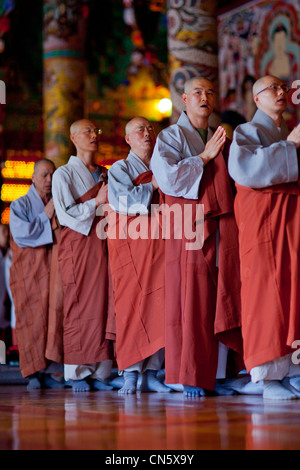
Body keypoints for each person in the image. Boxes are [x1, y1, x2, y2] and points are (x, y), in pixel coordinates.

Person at [151, 76, 243, 397]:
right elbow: (168, 180)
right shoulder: (171, 136)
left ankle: (216, 374)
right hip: (188, 227)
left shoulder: (219, 136)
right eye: (197, 92)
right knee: (192, 298)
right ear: (184, 99)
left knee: (220, 295)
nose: (205, 97)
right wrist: (205, 156)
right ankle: (188, 373)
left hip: (221, 226)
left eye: (210, 92)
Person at [228, 75, 300, 400]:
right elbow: (245, 170)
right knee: (265, 294)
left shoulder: (287, 130)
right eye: (273, 88)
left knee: (293, 290)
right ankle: (267, 375)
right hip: (263, 226)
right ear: (257, 99)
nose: (281, 92)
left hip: (290, 222)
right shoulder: (246, 132)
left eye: (283, 87)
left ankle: (294, 369)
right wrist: (291, 147)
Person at [107, 116, 171, 394]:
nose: (147, 133)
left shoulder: (161, 163)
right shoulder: (120, 168)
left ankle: (153, 372)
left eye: (150, 129)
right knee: (131, 304)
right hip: (131, 244)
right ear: (128, 139)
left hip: (160, 241)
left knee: (161, 301)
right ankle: (131, 372)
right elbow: (121, 200)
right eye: (140, 130)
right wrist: (153, 186)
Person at [52, 119, 114, 392]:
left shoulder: (105, 174)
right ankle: (77, 371)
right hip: (78, 245)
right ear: (74, 138)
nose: (94, 135)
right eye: (87, 131)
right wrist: (97, 201)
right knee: (79, 304)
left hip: (103, 243)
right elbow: (65, 214)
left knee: (103, 303)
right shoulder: (63, 174)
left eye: (96, 131)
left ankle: (101, 371)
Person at [9, 159, 64, 389]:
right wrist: (46, 215)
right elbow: (23, 234)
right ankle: (32, 371)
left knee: (53, 317)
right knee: (31, 318)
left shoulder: (59, 202)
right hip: (29, 272)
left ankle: (50, 371)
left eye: (52, 175)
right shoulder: (19, 205)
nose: (49, 180)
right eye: (44, 175)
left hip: (52, 271)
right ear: (33, 178)